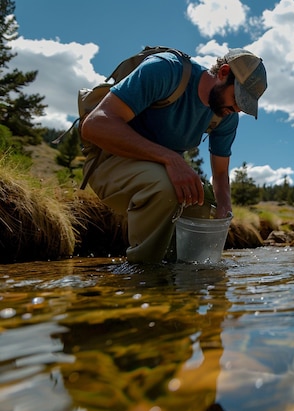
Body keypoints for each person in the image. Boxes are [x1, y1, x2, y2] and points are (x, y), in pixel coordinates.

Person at [80, 48, 268, 263]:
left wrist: (224, 206)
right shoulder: (165, 70)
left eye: (244, 105)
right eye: (237, 99)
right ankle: (144, 275)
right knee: (167, 187)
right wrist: (171, 159)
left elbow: (221, 172)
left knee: (203, 199)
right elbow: (95, 126)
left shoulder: (226, 116)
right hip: (109, 164)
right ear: (224, 72)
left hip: (155, 170)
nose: (237, 109)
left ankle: (183, 278)